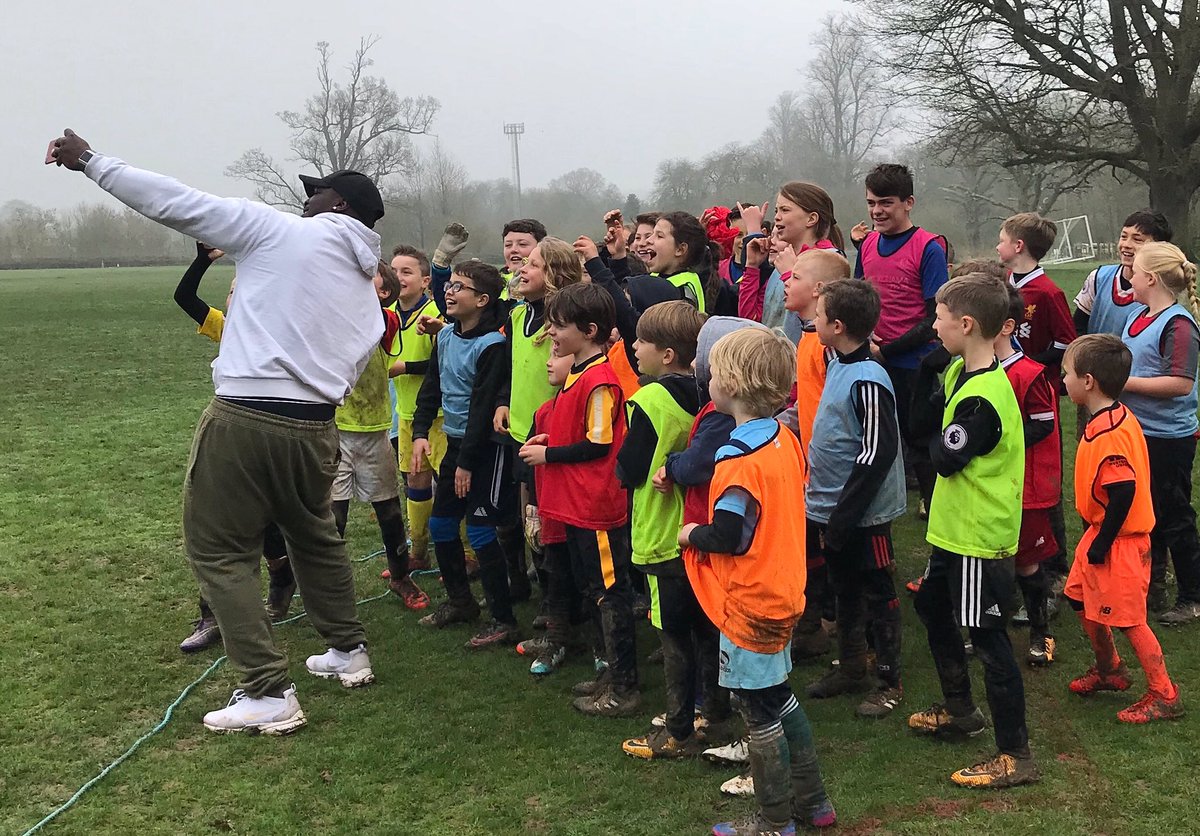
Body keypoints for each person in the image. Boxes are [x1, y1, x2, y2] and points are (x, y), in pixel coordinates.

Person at [51, 129, 384, 734]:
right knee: (313, 538)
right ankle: (346, 652)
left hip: (247, 418)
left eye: (316, 194)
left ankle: (266, 690)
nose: (304, 200)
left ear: (339, 208)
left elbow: (177, 201)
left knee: (219, 549)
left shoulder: (281, 233)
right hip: (317, 428)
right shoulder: (366, 287)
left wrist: (92, 162)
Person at [682, 327, 836, 835]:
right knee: (779, 697)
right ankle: (814, 804)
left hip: (749, 601)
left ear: (729, 383)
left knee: (759, 713)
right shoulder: (784, 438)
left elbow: (730, 534)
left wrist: (690, 533)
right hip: (785, 588)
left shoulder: (737, 459)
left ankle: (773, 821)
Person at [908, 273, 1036, 789]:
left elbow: (942, 457)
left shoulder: (982, 398)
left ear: (965, 324)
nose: (931, 325)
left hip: (979, 538)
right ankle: (960, 710)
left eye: (938, 317)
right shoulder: (960, 369)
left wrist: (938, 425)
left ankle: (1015, 755)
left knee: (989, 639)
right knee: (932, 606)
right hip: (953, 532)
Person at [519, 283, 640, 716]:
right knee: (594, 591)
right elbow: (584, 433)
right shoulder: (578, 375)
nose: (551, 332)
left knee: (611, 593)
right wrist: (553, 438)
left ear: (588, 331)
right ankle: (609, 672)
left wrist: (548, 454)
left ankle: (624, 686)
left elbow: (598, 444)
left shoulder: (601, 381)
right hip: (575, 504)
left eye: (559, 326)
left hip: (597, 509)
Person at [616, 301, 728, 759]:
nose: (633, 347)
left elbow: (629, 469)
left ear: (666, 354)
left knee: (672, 633)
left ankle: (679, 729)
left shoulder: (650, 400)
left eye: (641, 340)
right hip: (699, 529)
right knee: (706, 627)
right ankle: (714, 711)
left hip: (663, 535)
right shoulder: (711, 397)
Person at [172, 243, 295, 651]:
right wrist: (201, 261)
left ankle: (281, 574)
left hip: (273, 438)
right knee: (219, 529)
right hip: (227, 440)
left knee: (271, 523)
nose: (235, 298)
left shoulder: (281, 335)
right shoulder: (225, 327)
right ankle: (211, 616)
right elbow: (184, 297)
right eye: (231, 292)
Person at [1061, 334, 1183, 723]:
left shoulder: (1110, 435)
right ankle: (1110, 669)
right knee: (1078, 595)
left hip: (1120, 541)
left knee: (1130, 618)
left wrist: (1104, 544)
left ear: (1088, 381)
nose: (1062, 379)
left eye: (1066, 373)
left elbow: (1124, 490)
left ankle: (1165, 693)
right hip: (1101, 534)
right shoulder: (1113, 415)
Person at [804, 280, 907, 718]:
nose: (812, 320)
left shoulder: (868, 377)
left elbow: (876, 451)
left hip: (863, 516)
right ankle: (851, 666)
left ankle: (889, 680)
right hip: (832, 510)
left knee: (878, 592)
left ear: (838, 325)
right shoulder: (837, 364)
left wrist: (847, 515)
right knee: (843, 588)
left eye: (819, 314)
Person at [411, 262, 519, 648]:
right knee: (441, 527)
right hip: (456, 446)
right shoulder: (444, 339)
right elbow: (431, 389)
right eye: (449, 285)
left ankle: (504, 619)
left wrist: (467, 464)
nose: (449, 292)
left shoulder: (492, 346)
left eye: (460, 287)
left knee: (478, 530)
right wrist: (420, 432)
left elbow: (481, 408)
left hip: (484, 451)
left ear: (483, 299)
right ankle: (461, 602)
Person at [331, 260, 428, 611]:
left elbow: (370, 319)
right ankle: (330, 588)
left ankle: (401, 576)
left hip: (374, 432)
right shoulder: (332, 315)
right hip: (336, 431)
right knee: (333, 517)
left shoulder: (385, 320)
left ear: (383, 294)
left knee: (388, 511)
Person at [854, 164, 949, 513]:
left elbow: (934, 318)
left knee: (918, 439)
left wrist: (889, 349)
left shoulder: (928, 248)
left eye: (886, 203)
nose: (877, 211)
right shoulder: (866, 246)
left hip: (912, 363)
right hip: (871, 359)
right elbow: (857, 300)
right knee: (871, 436)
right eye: (871, 202)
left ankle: (935, 504)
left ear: (908, 202)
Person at [1119, 242, 1200, 624]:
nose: (1129, 276)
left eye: (1134, 271)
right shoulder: (1137, 314)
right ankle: (1151, 587)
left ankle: (1192, 596)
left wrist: (1123, 382)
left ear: (1150, 279)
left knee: (1175, 515)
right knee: (1144, 514)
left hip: (1168, 439)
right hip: (1137, 433)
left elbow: (1181, 384)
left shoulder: (1179, 324)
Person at [997, 212, 1075, 610]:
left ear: (1019, 246)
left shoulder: (1048, 293)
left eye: (1001, 239)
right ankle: (1017, 557)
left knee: (1042, 477)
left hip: (1035, 392)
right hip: (1005, 387)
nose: (997, 246)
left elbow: (1067, 343)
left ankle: (1055, 569)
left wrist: (1030, 366)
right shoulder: (1005, 285)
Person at [782, 249, 852, 660]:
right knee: (808, 545)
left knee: (834, 551)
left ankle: (838, 627)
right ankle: (813, 625)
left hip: (832, 469)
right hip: (809, 463)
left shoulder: (827, 347)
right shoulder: (806, 337)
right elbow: (809, 401)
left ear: (820, 290)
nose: (787, 283)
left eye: (795, 277)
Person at [994, 285, 1061, 666]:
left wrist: (997, 438)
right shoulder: (971, 369)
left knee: (1026, 562)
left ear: (1005, 327)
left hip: (1027, 488)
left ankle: (1041, 631)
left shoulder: (1029, 374)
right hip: (991, 485)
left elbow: (1044, 424)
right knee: (988, 559)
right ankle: (988, 625)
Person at [387, 244, 446, 575]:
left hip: (439, 416)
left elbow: (445, 362)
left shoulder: (439, 313)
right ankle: (419, 551)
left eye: (406, 272)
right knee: (416, 483)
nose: (398, 277)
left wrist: (405, 366)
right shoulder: (387, 315)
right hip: (406, 415)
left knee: (451, 484)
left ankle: (468, 553)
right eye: (393, 271)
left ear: (426, 281)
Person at [739, 183, 843, 342]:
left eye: (785, 210)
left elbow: (821, 321)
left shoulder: (830, 260)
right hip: (777, 362)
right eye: (776, 210)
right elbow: (752, 320)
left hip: (806, 361)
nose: (776, 217)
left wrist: (790, 275)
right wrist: (752, 267)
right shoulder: (782, 261)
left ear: (811, 218)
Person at [647, 212, 721, 313]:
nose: (648, 240)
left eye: (659, 236)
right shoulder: (655, 275)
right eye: (652, 234)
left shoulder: (682, 291)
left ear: (680, 250)